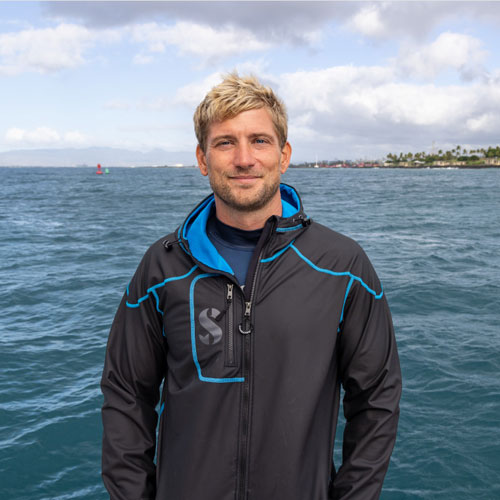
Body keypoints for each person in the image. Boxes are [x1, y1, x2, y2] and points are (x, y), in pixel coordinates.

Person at [101, 73, 402, 500]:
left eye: (259, 140)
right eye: (225, 142)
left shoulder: (342, 266)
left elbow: (376, 399)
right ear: (203, 159)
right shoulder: (162, 267)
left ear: (284, 155)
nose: (244, 158)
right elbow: (127, 394)